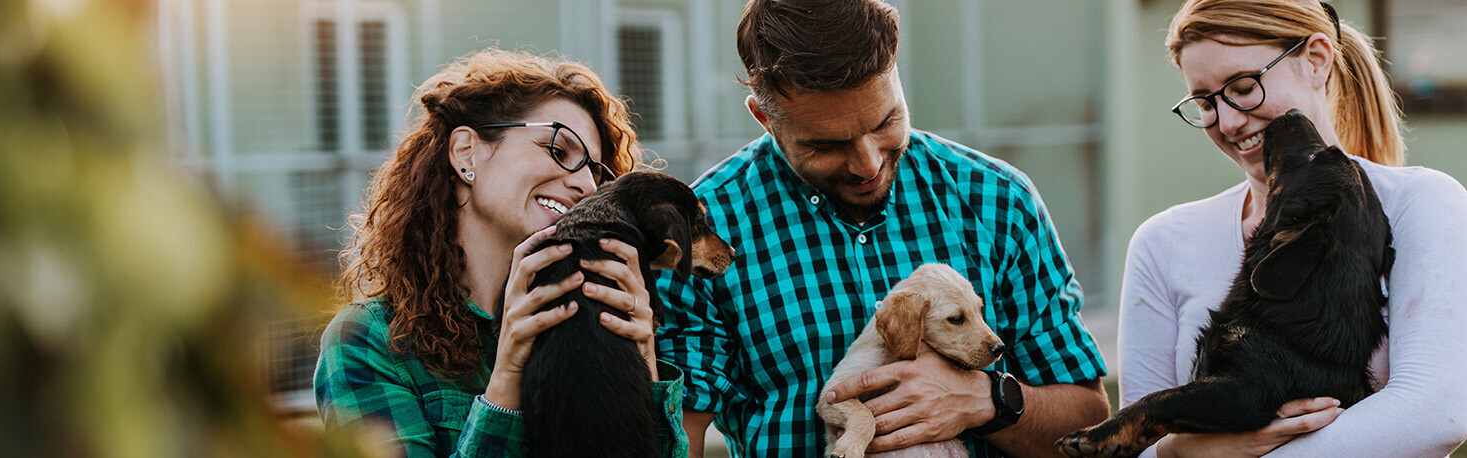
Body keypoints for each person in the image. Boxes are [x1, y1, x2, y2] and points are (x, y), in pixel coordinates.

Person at [651, 1, 1111, 457]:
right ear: (764, 118)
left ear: (897, 78)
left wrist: (986, 402)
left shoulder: (997, 200)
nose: (868, 163)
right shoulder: (705, 232)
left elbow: (1089, 423)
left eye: (885, 121)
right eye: (827, 144)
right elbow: (679, 435)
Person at [1117, 0, 1467, 456]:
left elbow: (1434, 412)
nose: (1228, 121)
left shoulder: (1418, 203)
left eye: (1244, 86)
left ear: (1316, 59)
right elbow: (1130, 445)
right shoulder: (1163, 243)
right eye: (1205, 102)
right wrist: (1185, 451)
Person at [314, 48, 685, 457]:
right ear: (466, 154)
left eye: (596, 172)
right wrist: (506, 381)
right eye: (559, 151)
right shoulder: (371, 342)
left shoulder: (602, 314)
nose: (586, 186)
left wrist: (641, 365)